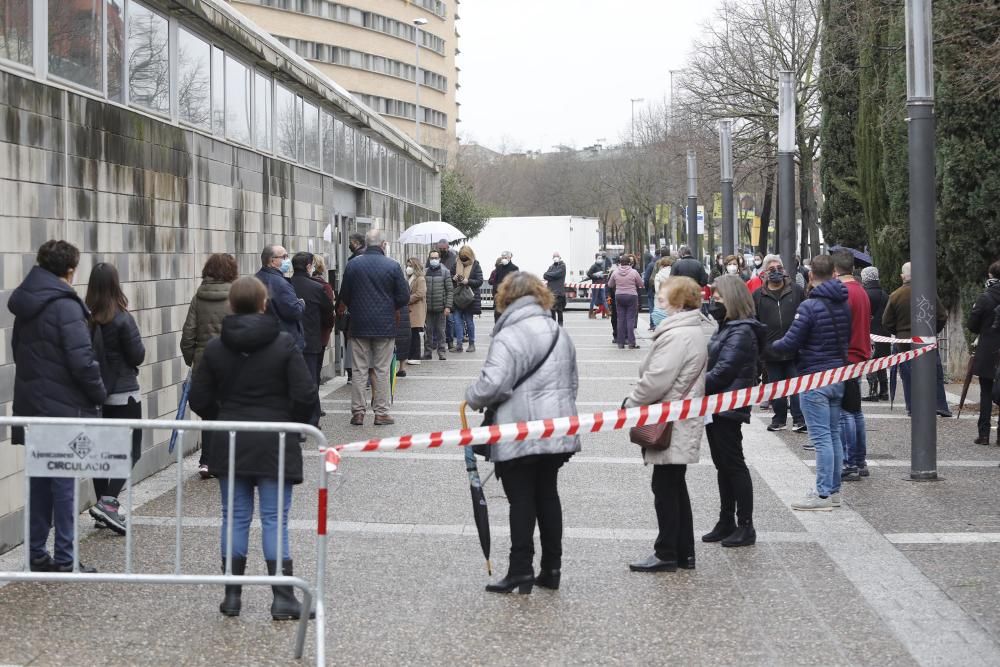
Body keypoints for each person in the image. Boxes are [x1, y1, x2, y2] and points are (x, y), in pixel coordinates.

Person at [188, 276, 316, 620]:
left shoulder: (216, 348)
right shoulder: (284, 344)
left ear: (231, 305)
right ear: (264, 304)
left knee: (234, 517)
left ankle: (232, 597)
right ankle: (282, 597)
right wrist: (294, 422)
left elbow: (198, 397)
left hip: (230, 439)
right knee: (275, 519)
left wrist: (223, 415)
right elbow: (305, 393)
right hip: (275, 439)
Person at [465, 272, 580, 594]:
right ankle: (551, 568)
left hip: (519, 430)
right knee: (547, 495)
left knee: (521, 500)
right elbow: (572, 382)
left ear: (506, 297)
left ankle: (520, 570)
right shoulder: (557, 330)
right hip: (556, 427)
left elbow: (493, 384)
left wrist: (471, 395)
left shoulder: (509, 334)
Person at [10, 240, 106, 573]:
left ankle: (37, 551)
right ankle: (66, 556)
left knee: (40, 480)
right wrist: (98, 393)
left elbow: (18, 352)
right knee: (64, 483)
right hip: (63, 408)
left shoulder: (27, 302)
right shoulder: (65, 306)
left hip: (33, 405)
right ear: (70, 270)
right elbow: (82, 360)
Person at [627, 277, 717, 572]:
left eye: (664, 298)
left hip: (671, 417)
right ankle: (683, 552)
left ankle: (666, 552)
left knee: (666, 487)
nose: (659, 302)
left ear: (679, 302)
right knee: (674, 485)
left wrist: (631, 403)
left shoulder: (678, 335)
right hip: (681, 415)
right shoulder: (689, 330)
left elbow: (657, 379)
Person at [772, 255, 850, 511]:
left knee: (822, 438)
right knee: (833, 435)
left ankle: (823, 493)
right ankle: (834, 490)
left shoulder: (809, 307)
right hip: (837, 375)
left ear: (810, 276)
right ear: (834, 274)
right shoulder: (843, 303)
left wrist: (767, 346)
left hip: (814, 378)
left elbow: (791, 342)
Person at [702, 276, 764, 547]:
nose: (713, 302)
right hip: (716, 406)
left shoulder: (741, 331)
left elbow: (723, 371)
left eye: (718, 298)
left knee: (734, 465)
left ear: (732, 300)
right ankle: (726, 519)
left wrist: (692, 385)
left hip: (727, 406)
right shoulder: (727, 326)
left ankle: (745, 525)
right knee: (722, 465)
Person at [85, 262, 146, 536]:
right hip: (124, 393)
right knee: (131, 450)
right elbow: (137, 355)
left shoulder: (86, 317)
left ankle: (101, 508)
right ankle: (108, 504)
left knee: (101, 454)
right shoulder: (122, 318)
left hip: (97, 395)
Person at [338, 229, 410, 425]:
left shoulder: (353, 265)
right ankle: (381, 412)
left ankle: (358, 412)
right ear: (383, 244)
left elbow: (344, 294)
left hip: (359, 324)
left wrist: (357, 308)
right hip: (385, 325)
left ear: (366, 244)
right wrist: (389, 306)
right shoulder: (393, 266)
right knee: (382, 369)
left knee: (360, 369)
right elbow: (404, 296)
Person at [181, 253, 238, 478]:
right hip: (230, 363)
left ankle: (206, 461)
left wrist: (192, 360)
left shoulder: (198, 297)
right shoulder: (235, 295)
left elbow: (188, 335)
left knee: (209, 413)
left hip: (203, 364)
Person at [882, 261, 952, 417]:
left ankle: (913, 407)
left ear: (902, 276)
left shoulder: (895, 295)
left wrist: (900, 332)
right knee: (934, 373)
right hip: (927, 339)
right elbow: (942, 316)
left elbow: (886, 322)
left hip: (904, 343)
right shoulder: (928, 292)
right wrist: (933, 330)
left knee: (908, 375)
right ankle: (940, 405)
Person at [753, 254, 807, 434]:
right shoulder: (758, 295)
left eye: (779, 268)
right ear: (764, 273)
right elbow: (754, 322)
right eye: (771, 269)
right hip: (771, 350)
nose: (776, 272)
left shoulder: (797, 291)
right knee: (776, 387)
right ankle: (779, 419)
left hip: (795, 349)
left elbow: (807, 315)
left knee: (797, 387)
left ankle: (800, 420)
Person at [833, 250, 872, 482]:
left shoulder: (844, 293)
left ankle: (850, 463)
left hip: (846, 356)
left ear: (835, 271)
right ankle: (859, 460)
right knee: (856, 411)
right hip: (859, 354)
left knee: (845, 413)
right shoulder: (861, 291)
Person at [290, 251, 334, 426]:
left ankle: (294, 418)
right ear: (309, 266)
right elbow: (328, 313)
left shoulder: (287, 285)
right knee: (311, 381)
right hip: (312, 340)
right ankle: (311, 419)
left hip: (290, 341)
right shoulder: (317, 288)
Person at [968, 261, 1000, 445]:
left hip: (988, 351)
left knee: (986, 392)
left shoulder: (984, 298)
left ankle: (984, 434)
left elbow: (972, 325)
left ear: (990, 276)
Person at [255, 244, 304, 351]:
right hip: (283, 343)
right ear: (272, 261)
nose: (288, 260)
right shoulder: (281, 283)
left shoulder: (255, 279)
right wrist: (301, 304)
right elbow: (294, 312)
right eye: (284, 257)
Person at [336, 233, 366, 384]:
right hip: (366, 312)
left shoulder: (354, 262)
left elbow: (346, 289)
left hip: (353, 310)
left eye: (350, 242)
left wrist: (341, 305)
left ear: (355, 243)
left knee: (352, 342)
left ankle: (353, 375)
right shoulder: (368, 259)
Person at [861, 266, 890, 402]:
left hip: (869, 333)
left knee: (870, 362)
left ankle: (872, 392)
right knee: (881, 363)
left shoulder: (865, 294)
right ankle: (884, 391)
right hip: (884, 333)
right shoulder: (885, 294)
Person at [607, 254, 644, 349]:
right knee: (630, 319)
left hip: (619, 296)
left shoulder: (615, 272)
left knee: (620, 319)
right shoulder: (634, 272)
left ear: (619, 263)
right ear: (630, 263)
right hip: (632, 296)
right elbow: (641, 284)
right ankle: (631, 343)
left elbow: (610, 284)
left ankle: (620, 343)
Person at [422, 249, 454, 361]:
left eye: (436, 258)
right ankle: (427, 353)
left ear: (439, 259)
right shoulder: (424, 272)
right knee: (428, 332)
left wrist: (448, 306)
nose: (434, 260)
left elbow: (450, 290)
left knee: (441, 332)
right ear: (429, 259)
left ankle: (442, 352)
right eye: (432, 258)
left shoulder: (445, 272)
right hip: (428, 308)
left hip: (441, 308)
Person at [451, 245, 484, 350]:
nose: (463, 259)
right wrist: (454, 278)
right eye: (461, 256)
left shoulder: (475, 265)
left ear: (470, 255)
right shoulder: (456, 264)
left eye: (465, 256)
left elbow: (479, 281)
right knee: (457, 320)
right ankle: (459, 344)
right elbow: (450, 278)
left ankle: (471, 344)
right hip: (457, 297)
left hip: (470, 298)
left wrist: (468, 281)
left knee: (469, 321)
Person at [405, 258, 427, 366]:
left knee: (415, 334)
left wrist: (406, 299)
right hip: (410, 310)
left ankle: (415, 356)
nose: (408, 268)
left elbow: (420, 293)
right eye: (407, 265)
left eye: (410, 265)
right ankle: (411, 355)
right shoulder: (410, 278)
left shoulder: (420, 279)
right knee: (411, 334)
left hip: (416, 310)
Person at [489, 250, 519, 321]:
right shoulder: (499, 267)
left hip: (508, 296)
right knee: (497, 315)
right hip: (498, 295)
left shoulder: (514, 268)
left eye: (505, 257)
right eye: (502, 257)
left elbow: (515, 282)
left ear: (510, 257)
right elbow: (495, 280)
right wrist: (497, 289)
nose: (504, 259)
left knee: (507, 316)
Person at [544, 252, 567, 326]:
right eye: (554, 256)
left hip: (559, 292)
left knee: (559, 310)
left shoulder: (563, 266)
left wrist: (551, 275)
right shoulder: (551, 267)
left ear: (560, 257)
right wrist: (553, 275)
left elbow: (558, 274)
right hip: (551, 292)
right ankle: (553, 326)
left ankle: (560, 326)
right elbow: (545, 275)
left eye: (557, 256)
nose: (555, 258)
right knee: (551, 310)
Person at [587, 252, 610, 319]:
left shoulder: (601, 266)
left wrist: (604, 275)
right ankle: (590, 313)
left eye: (601, 258)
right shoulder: (593, 266)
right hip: (595, 284)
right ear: (596, 258)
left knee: (604, 298)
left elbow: (603, 274)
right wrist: (596, 276)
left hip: (602, 284)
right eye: (598, 258)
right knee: (594, 299)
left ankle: (607, 312)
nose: (600, 259)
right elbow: (589, 274)